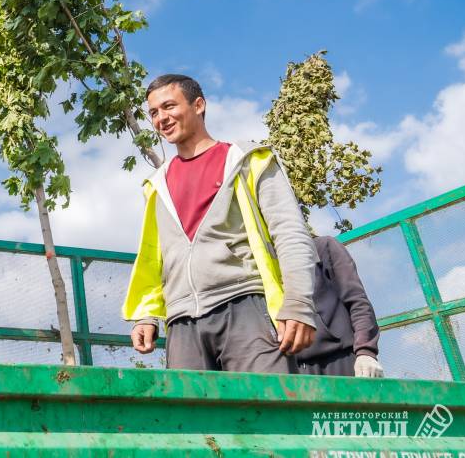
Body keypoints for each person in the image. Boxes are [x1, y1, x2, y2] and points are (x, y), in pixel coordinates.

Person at [122, 74, 318, 373]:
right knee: (193, 419)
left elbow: (290, 234)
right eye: (153, 113)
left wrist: (299, 303)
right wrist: (146, 316)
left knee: (266, 411)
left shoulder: (248, 160)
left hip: (246, 306)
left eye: (169, 106)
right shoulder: (156, 185)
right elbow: (154, 259)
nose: (161, 118)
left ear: (198, 105)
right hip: (181, 321)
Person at [297, 235, 384, 377]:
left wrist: (366, 352)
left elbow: (357, 300)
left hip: (340, 358)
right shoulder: (261, 268)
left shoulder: (323, 246)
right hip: (294, 370)